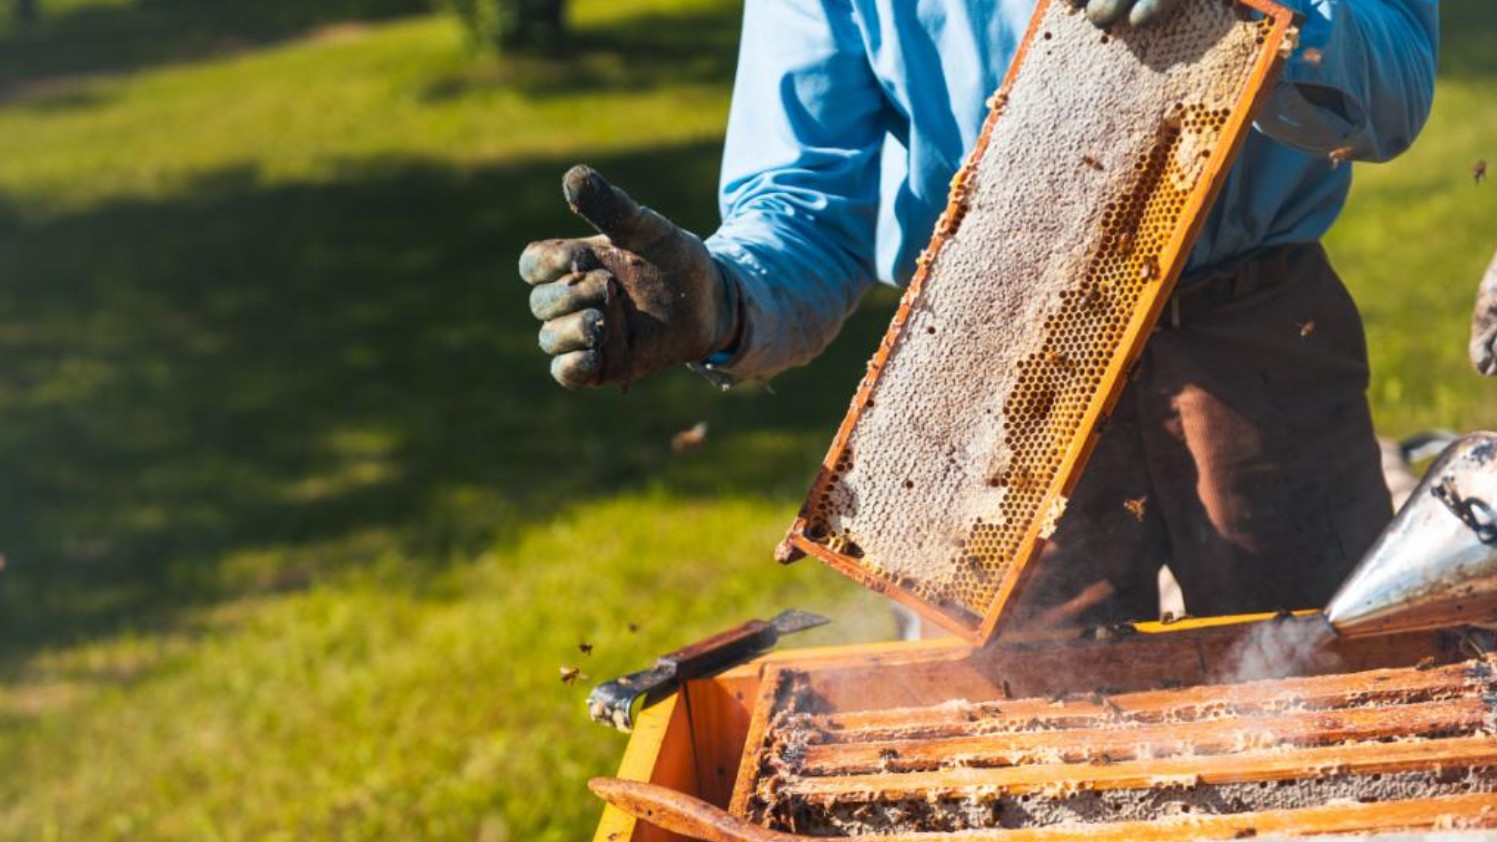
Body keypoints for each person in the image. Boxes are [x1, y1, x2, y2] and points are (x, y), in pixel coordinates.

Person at [518, 0, 1440, 627]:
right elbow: (807, 202)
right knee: (1005, 734)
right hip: (984, 363)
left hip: (1256, 345)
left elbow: (1395, 89)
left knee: (1326, 691)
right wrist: (722, 299)